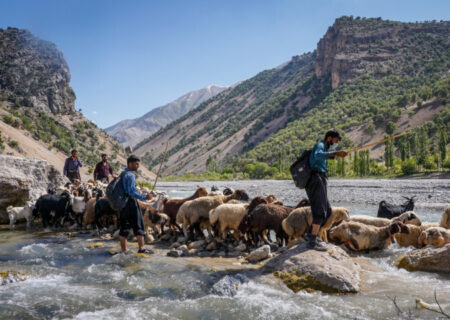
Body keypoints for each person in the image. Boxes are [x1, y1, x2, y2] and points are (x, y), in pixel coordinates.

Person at [305, 129, 348, 251]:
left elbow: (323, 157)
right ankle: (312, 241)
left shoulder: (324, 148)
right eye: (335, 140)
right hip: (315, 179)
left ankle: (310, 234)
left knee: (327, 211)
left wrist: (336, 154)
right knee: (319, 211)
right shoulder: (320, 145)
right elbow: (318, 155)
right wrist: (336, 152)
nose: (336, 143)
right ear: (329, 138)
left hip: (320, 178)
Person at [119, 155, 153, 254]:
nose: (138, 166)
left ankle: (124, 250)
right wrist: (145, 197)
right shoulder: (130, 175)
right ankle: (142, 249)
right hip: (131, 203)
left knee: (124, 227)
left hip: (122, 203)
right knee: (138, 225)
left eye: (138, 164)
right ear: (130, 163)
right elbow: (131, 192)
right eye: (136, 163)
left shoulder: (123, 173)